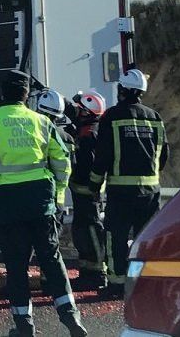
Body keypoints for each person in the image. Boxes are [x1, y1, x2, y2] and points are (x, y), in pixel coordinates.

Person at [0, 71, 87, 337]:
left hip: (6, 203)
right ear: (26, 95)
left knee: (16, 264)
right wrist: (56, 196)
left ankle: (24, 325)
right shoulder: (43, 123)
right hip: (40, 200)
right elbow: (62, 162)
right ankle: (70, 317)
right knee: (51, 258)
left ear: (2, 93)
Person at [89, 69, 168, 299]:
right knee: (148, 239)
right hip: (150, 191)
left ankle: (117, 284)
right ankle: (149, 283)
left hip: (121, 191)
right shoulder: (155, 118)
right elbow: (163, 155)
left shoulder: (112, 117)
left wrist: (95, 185)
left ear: (122, 90)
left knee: (116, 237)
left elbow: (102, 155)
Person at [67, 90, 107, 290]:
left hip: (87, 191)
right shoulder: (91, 128)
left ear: (87, 112)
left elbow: (89, 163)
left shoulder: (89, 134)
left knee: (90, 229)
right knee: (81, 230)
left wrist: (91, 186)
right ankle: (87, 272)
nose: (77, 112)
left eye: (80, 109)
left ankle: (97, 273)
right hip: (84, 190)